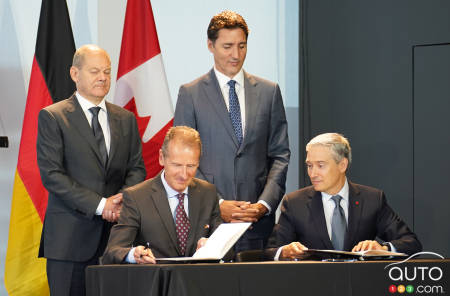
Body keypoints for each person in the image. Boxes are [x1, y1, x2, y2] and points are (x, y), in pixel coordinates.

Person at [174, 10, 290, 253]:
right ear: (210, 45)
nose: (236, 55)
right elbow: (182, 160)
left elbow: (280, 155)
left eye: (242, 46)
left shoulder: (269, 92)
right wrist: (217, 205)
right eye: (227, 46)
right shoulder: (190, 94)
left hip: (258, 226)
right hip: (208, 226)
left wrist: (264, 204)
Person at [36, 44, 146, 295]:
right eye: (95, 71)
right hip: (69, 243)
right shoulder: (54, 117)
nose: (103, 78)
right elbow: (52, 175)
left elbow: (136, 169)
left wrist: (120, 201)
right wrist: (101, 205)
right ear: (75, 74)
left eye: (107, 71)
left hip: (117, 240)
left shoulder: (125, 118)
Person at [270, 133, 422, 260]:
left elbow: (411, 243)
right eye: (310, 165)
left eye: (320, 165)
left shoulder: (372, 199)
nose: (313, 173)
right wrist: (284, 252)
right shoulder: (295, 203)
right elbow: (272, 250)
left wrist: (382, 248)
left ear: (342, 165)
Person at [102, 126, 222, 264]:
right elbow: (113, 251)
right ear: (161, 158)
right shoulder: (136, 197)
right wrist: (134, 255)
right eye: (176, 165)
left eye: (191, 166)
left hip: (197, 282)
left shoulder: (208, 193)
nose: (184, 175)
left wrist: (213, 246)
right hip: (156, 281)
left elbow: (227, 248)